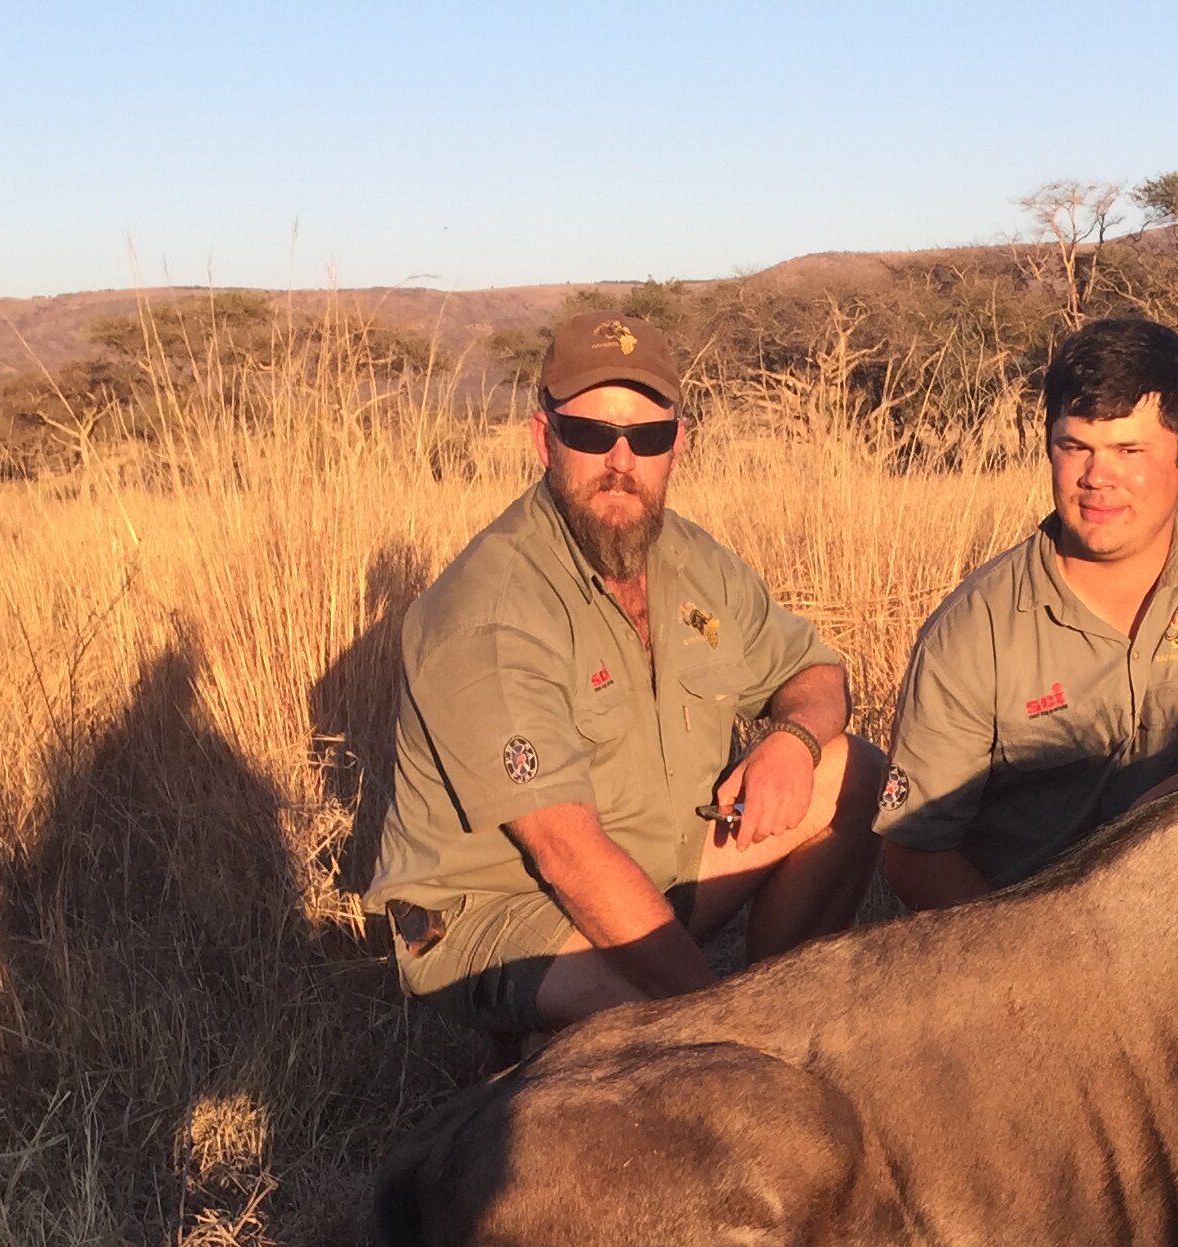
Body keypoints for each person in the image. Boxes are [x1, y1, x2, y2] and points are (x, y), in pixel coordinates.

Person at [370, 308, 884, 1035]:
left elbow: (819, 674)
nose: (620, 462)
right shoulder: (491, 609)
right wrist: (721, 1022)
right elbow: (567, 856)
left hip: (657, 867)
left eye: (645, 438)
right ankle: (698, 1040)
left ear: (677, 444)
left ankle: (779, 1014)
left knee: (852, 772)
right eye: (590, 435)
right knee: (664, 1033)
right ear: (543, 438)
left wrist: (793, 742)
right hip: (501, 905)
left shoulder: (694, 559)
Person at [877, 316, 1178, 909]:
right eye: (1075, 447)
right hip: (1041, 935)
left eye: (1129, 450)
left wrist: (1154, 825)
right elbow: (916, 853)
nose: (1098, 478)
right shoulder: (971, 630)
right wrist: (1036, 959)